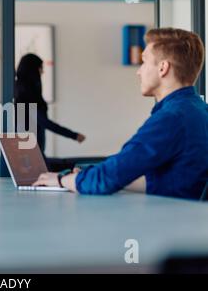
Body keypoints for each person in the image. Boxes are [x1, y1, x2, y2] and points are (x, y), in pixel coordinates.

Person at [33, 28, 208, 200]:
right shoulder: (198, 110)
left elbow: (107, 179)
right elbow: (172, 181)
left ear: (163, 68)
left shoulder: (172, 118)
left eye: (144, 62)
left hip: (171, 223)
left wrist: (60, 180)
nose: (138, 71)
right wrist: (85, 175)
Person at [14, 53, 85, 153]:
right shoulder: (25, 93)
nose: (42, 72)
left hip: (31, 152)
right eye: (40, 68)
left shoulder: (21, 90)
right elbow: (44, 121)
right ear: (33, 70)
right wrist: (74, 135)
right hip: (31, 155)